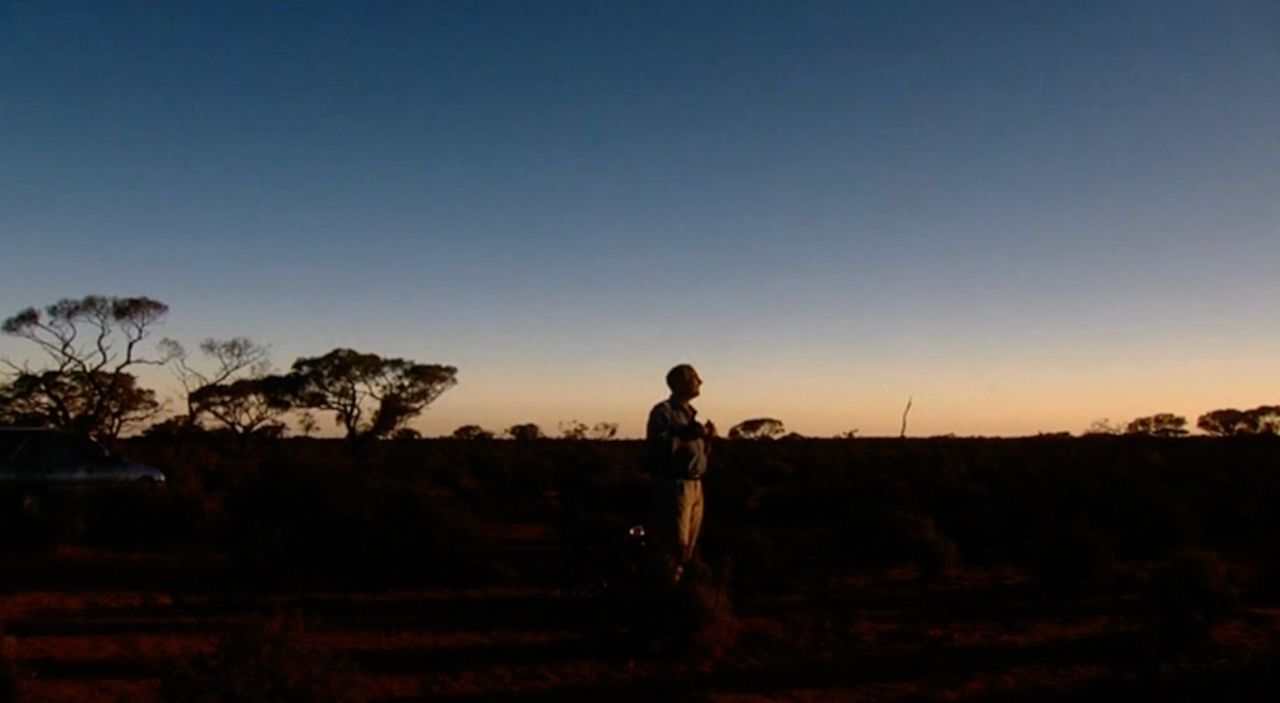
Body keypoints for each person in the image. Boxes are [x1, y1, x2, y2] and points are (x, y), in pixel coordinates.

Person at [645, 364, 716, 581]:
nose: (700, 382)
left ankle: (684, 590)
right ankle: (669, 591)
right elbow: (656, 448)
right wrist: (686, 436)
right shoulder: (663, 412)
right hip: (675, 486)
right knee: (676, 544)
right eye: (695, 378)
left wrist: (707, 438)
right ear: (680, 382)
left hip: (695, 486)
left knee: (689, 547)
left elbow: (698, 451)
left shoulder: (690, 415)